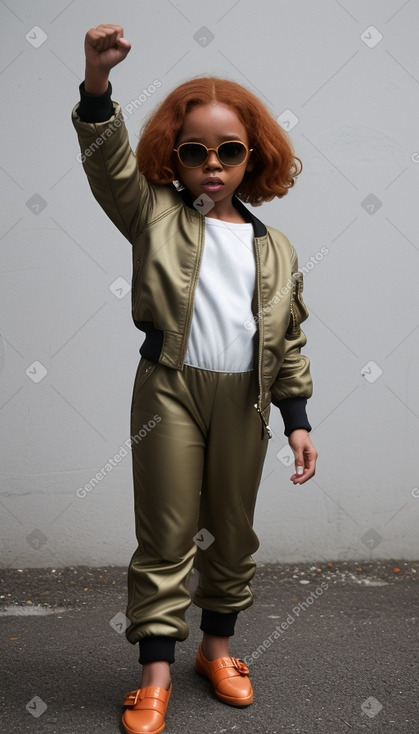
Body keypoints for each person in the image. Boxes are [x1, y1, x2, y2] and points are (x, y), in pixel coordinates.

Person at [72, 23, 318, 734]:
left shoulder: (275, 248)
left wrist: (296, 420)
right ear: (172, 160)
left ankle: (215, 650)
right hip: (170, 390)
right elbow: (105, 161)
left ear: (254, 156)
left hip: (246, 400)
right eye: (195, 152)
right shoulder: (152, 213)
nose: (213, 165)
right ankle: (154, 675)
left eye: (229, 151)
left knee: (231, 532)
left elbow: (288, 338)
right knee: (167, 530)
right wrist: (96, 83)